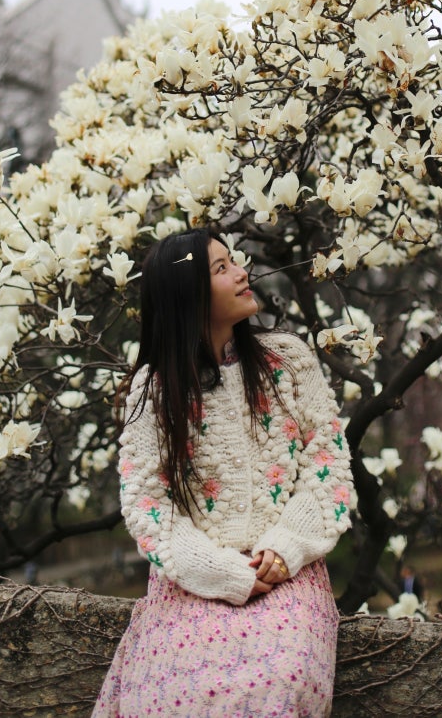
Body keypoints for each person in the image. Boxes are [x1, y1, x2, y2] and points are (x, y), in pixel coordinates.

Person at [91, 227, 354, 718]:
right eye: (221, 268)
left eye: (235, 261)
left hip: (286, 575)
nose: (241, 272)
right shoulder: (154, 388)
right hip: (190, 582)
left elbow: (328, 463)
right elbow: (147, 502)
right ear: (187, 292)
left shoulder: (287, 361)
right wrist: (215, 570)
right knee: (163, 699)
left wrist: (285, 545)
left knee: (279, 683)